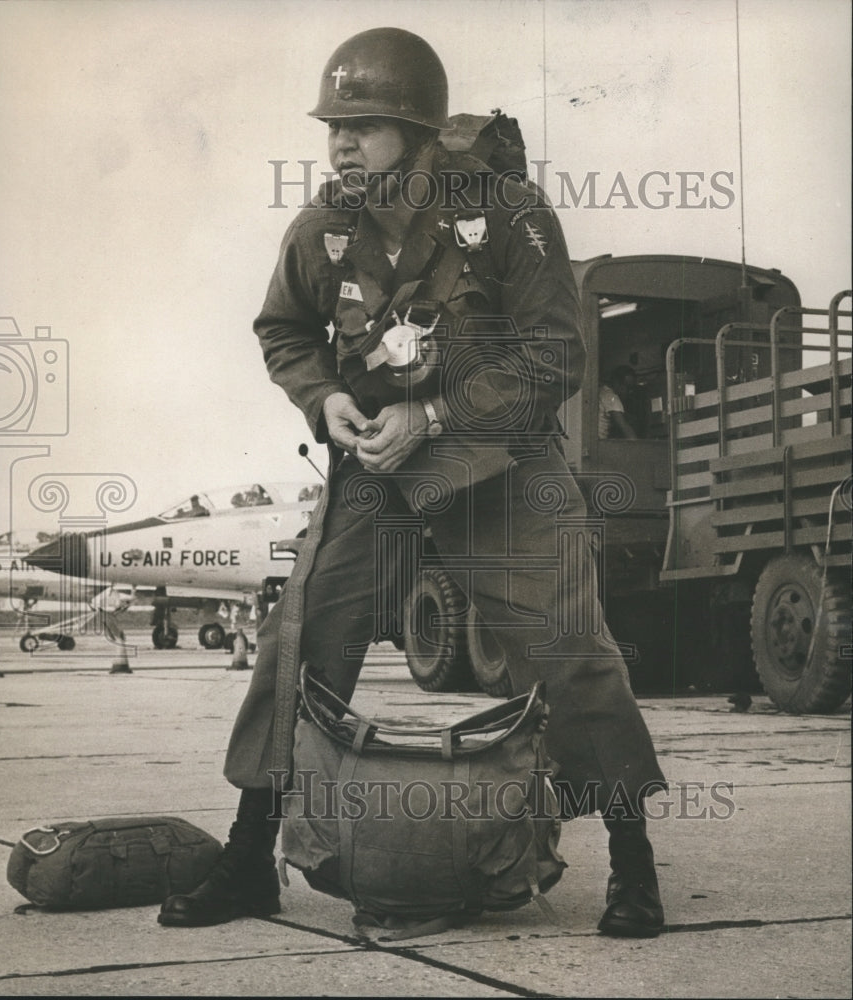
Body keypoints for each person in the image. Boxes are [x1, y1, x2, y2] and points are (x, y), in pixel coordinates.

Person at [159, 27, 666, 939]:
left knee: (571, 648)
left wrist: (431, 417)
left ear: (419, 130)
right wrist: (324, 403)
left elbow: (556, 356)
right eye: (334, 128)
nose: (341, 143)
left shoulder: (506, 214)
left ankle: (634, 864)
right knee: (301, 639)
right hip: (374, 470)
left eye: (364, 125)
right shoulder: (321, 227)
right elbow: (284, 331)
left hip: (497, 462)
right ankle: (248, 858)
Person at [599, 365, 639, 439]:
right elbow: (624, 427)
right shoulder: (611, 396)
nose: (629, 392)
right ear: (617, 383)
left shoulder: (602, 390)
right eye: (628, 387)